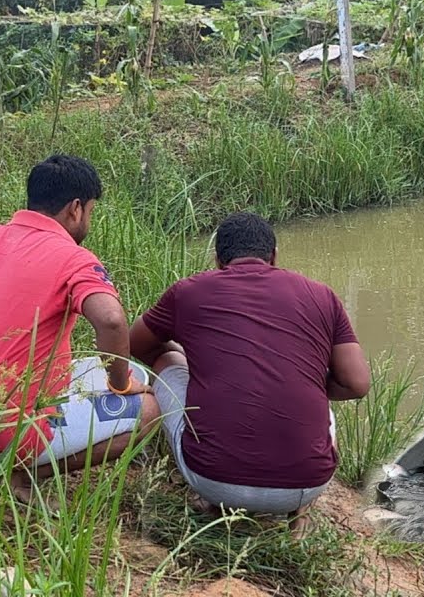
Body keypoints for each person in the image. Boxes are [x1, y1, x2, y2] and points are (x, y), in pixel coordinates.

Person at [0, 154, 159, 500]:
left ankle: (8, 457)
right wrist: (119, 384)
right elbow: (111, 320)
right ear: (76, 208)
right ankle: (18, 472)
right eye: (91, 211)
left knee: (94, 368)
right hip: (9, 428)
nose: (88, 220)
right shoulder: (74, 257)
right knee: (150, 408)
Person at [129, 211, 370, 536]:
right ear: (273, 257)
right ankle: (299, 514)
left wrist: (195, 365)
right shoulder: (322, 295)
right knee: (316, 389)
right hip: (306, 485)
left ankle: (213, 504)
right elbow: (357, 383)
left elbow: (134, 343)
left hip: (212, 481)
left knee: (167, 360)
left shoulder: (188, 291)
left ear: (218, 260)